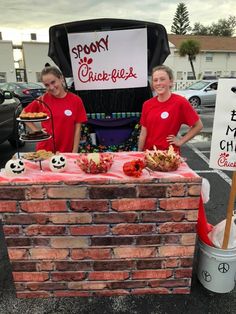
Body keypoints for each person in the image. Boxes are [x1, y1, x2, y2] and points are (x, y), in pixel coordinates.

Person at [138, 65, 203, 153]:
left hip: (169, 156)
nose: (158, 83)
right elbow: (143, 132)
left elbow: (198, 126)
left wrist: (181, 141)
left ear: (170, 82)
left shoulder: (180, 102)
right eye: (155, 80)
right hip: (149, 154)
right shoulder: (147, 104)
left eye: (162, 79)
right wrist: (139, 152)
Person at [23, 66, 87, 153]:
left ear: (61, 79)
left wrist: (74, 151)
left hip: (66, 151)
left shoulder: (76, 100)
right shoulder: (43, 99)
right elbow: (23, 114)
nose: (51, 87)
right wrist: (36, 131)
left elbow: (77, 128)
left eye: (53, 82)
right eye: (47, 85)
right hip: (45, 152)